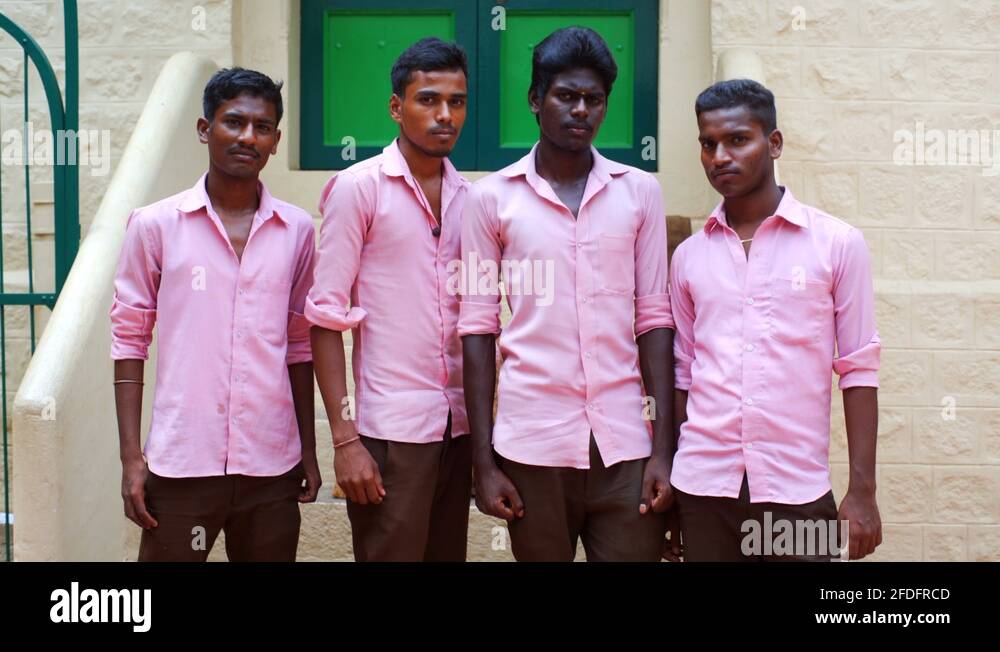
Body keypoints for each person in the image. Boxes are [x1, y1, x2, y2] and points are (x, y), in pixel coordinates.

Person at [460, 27, 676, 561]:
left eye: (594, 99)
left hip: (625, 445)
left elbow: (654, 319)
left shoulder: (639, 192)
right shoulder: (490, 200)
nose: (581, 110)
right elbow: (477, 327)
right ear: (535, 100)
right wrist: (483, 465)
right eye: (566, 96)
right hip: (531, 445)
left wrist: (665, 450)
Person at [111, 67, 320, 562]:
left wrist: (308, 449)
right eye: (234, 122)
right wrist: (130, 458)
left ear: (275, 141)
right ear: (205, 130)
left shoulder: (297, 230)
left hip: (271, 465)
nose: (248, 137)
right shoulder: (155, 225)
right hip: (182, 463)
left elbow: (300, 343)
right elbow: (128, 340)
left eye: (262, 127)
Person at [669, 78, 882, 561]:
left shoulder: (837, 245)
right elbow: (683, 370)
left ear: (775, 143)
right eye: (708, 144)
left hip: (797, 493)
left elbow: (859, 368)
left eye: (738, 139)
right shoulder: (688, 257)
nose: (720, 155)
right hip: (703, 489)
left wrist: (863, 491)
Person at [306, 38, 473, 561]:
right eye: (428, 99)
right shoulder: (359, 189)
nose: (445, 115)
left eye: (457, 101)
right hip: (390, 435)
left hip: (459, 427)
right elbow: (324, 319)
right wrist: (344, 440)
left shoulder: (472, 198)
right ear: (396, 108)